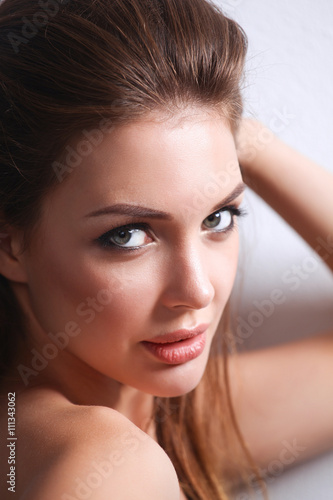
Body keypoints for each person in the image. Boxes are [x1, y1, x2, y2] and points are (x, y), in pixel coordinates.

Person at [0, 0, 332, 499]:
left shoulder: (167, 424)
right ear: (10, 244)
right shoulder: (110, 465)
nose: (196, 290)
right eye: (128, 235)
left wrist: (219, 121)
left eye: (218, 218)